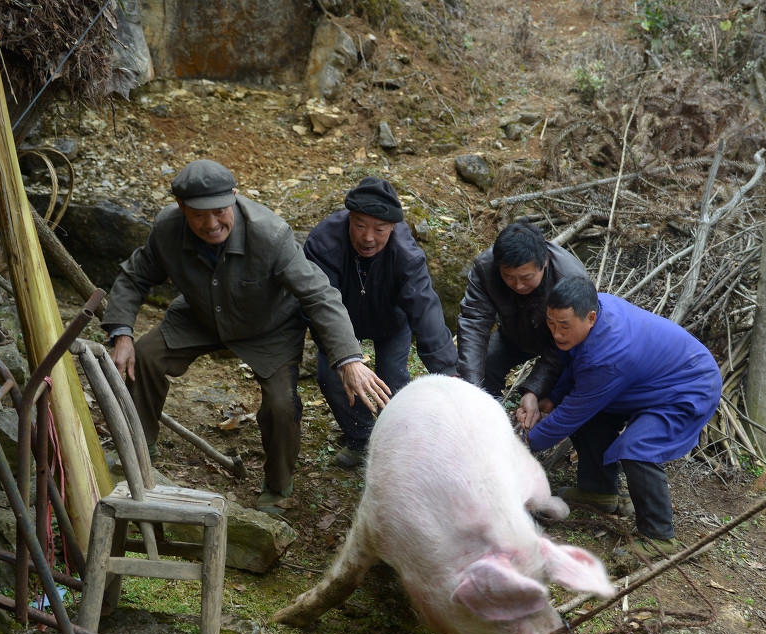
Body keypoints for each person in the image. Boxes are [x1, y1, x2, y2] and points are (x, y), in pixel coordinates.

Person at [102, 159, 390, 513]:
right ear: (181, 208)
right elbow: (134, 277)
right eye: (198, 215)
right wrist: (122, 335)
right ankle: (138, 446)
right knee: (144, 357)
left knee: (282, 406)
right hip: (201, 315)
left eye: (220, 211)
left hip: (269, 327)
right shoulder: (167, 229)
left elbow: (319, 294)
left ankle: (277, 486)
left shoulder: (270, 234)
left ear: (235, 198)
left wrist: (348, 358)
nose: (211, 224)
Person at [517, 276, 721, 557]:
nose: (557, 334)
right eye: (551, 324)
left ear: (590, 317)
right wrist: (549, 399)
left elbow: (572, 411)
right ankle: (599, 491)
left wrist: (520, 444)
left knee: (637, 447)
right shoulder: (596, 312)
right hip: (649, 381)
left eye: (564, 326)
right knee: (591, 414)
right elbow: (577, 368)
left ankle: (659, 537)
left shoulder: (610, 355)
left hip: (689, 386)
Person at [303, 177, 457, 469]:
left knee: (393, 383)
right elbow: (318, 303)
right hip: (338, 321)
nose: (368, 237)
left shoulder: (406, 255)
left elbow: (425, 306)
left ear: (394, 227)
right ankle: (361, 439)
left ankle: (397, 445)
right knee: (332, 377)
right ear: (349, 218)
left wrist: (447, 370)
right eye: (360, 225)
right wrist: (347, 360)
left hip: (390, 321)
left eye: (380, 229)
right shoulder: (323, 243)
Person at [456, 220, 588, 400]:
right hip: (513, 336)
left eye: (527, 277)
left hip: (560, 343)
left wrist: (533, 390)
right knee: (485, 365)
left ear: (545, 263)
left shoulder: (570, 279)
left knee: (553, 394)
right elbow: (473, 322)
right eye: (508, 277)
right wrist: (471, 388)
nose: (518, 285)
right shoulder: (485, 268)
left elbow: (568, 338)